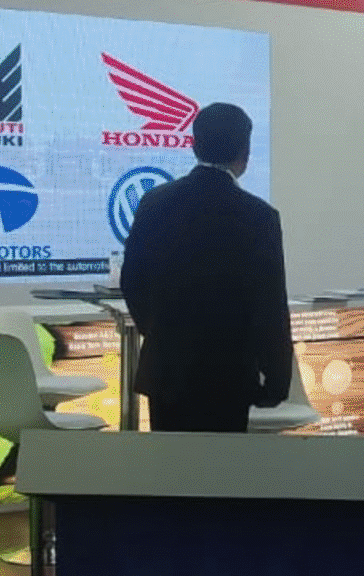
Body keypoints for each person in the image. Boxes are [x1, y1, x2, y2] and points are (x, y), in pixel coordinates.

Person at [120, 103, 293, 433]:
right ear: (245, 151)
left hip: (167, 370)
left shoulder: (155, 203)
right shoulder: (259, 217)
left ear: (194, 145)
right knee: (223, 465)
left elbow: (132, 281)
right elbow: (269, 305)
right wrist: (277, 379)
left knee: (171, 463)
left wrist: (159, 331)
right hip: (229, 375)